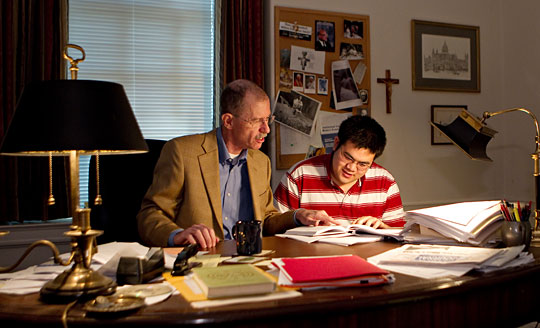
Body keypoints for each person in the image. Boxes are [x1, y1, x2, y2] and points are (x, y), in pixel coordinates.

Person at [137, 79, 338, 248]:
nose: (266, 129)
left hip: (251, 259)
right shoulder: (182, 152)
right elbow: (150, 215)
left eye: (268, 119)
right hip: (200, 260)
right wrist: (177, 234)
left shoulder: (261, 162)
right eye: (256, 121)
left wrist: (299, 215)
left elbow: (266, 219)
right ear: (228, 121)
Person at [274, 115, 405, 229]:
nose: (352, 168)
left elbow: (400, 236)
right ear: (336, 144)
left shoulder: (385, 182)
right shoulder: (299, 175)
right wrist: (299, 217)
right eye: (348, 157)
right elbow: (272, 227)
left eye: (363, 164)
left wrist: (384, 228)